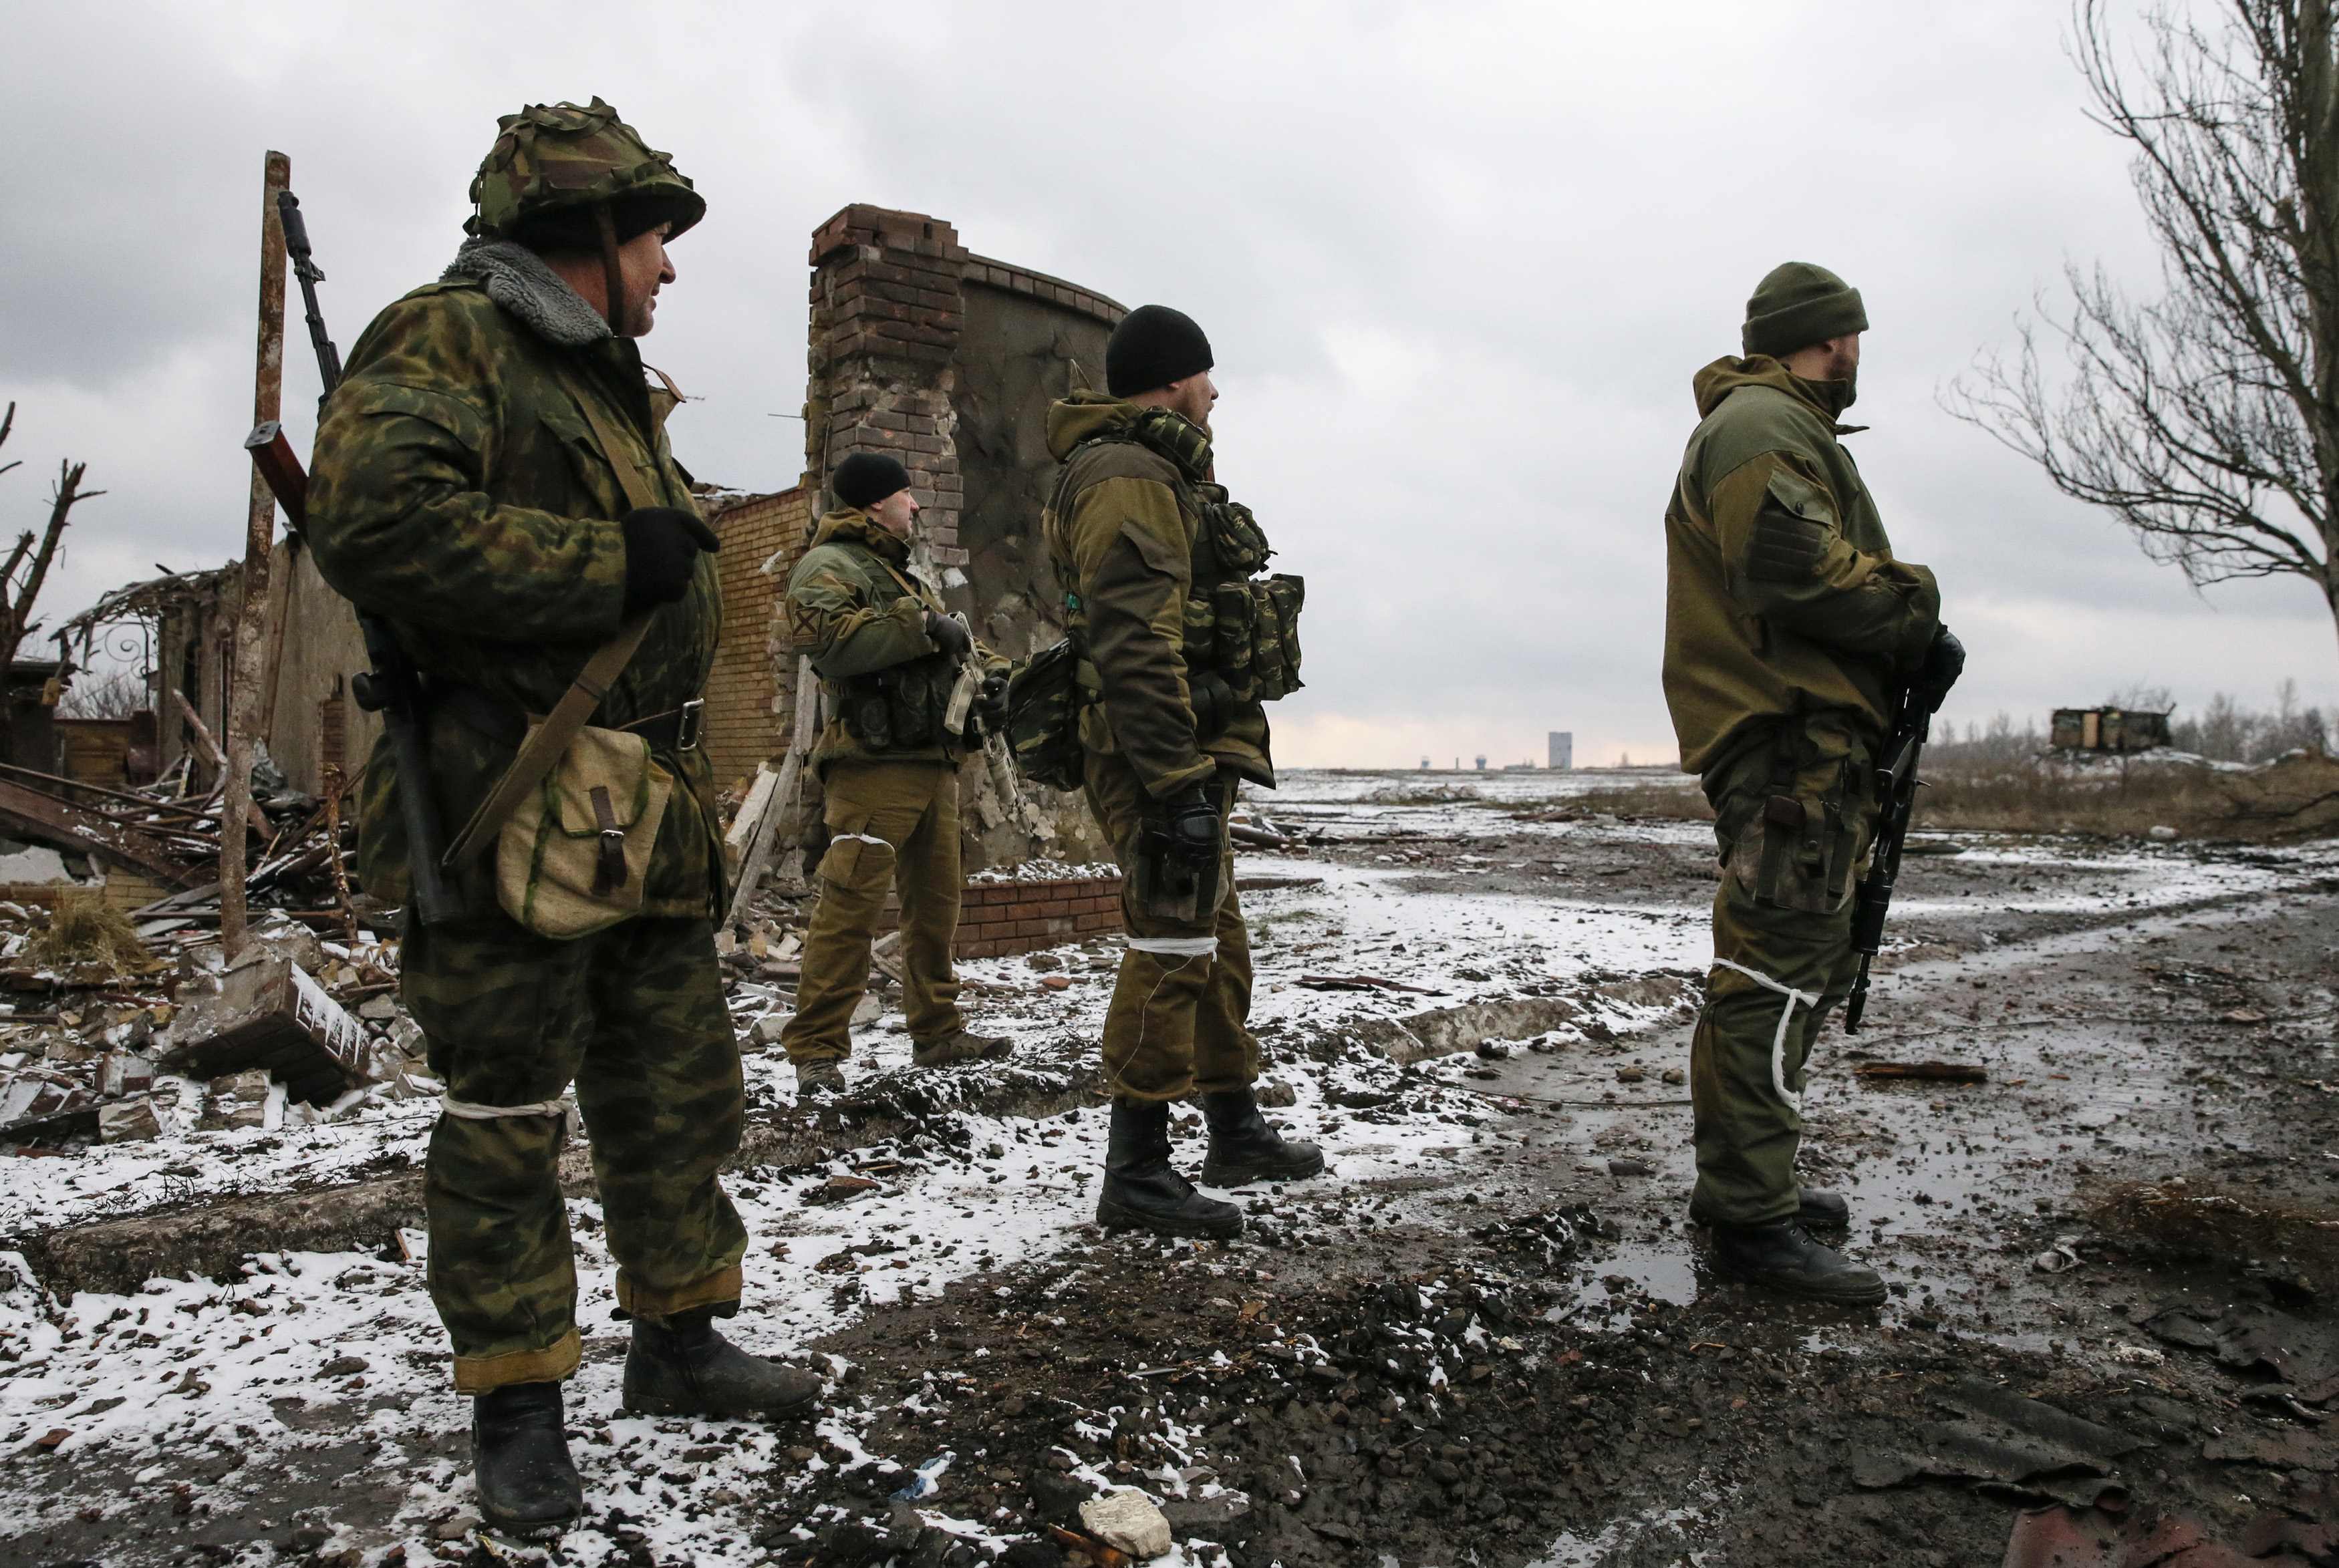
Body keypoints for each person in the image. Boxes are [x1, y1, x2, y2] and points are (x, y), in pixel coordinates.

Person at [306, 97, 815, 1539]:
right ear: (587, 235)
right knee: (508, 1112)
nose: (669, 269)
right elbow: (377, 525)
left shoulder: (600, 383)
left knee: (671, 1091)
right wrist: (609, 564)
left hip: (633, 806)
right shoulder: (446, 340)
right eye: (655, 239)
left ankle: (680, 1341)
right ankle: (518, 1401)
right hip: (506, 803)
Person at [1661, 261, 1965, 1304]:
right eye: (1851, 337)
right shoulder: (1759, 427)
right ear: (1824, 339)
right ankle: (1751, 1225)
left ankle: (1750, 1188)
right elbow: (1792, 569)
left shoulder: (1778, 426)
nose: (1858, 354)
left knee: (1788, 959)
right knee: (1778, 968)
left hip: (1807, 737)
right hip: (1789, 737)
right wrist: (1914, 607)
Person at [1043, 304, 1325, 1240]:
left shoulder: (1160, 469)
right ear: (1174, 378)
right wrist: (1173, 783)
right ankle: (1138, 1169)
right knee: (1171, 945)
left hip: (1188, 750)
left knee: (1216, 941)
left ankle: (1233, 1124)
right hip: (1156, 752)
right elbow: (1132, 642)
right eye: (1207, 376)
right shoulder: (1126, 475)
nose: (1216, 394)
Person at [778, 451, 1014, 1092]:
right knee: (850, 906)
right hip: (873, 767)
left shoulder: (901, 573)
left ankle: (937, 1032)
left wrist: (995, 676)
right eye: (907, 495)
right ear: (875, 502)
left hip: (932, 761)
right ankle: (817, 1049)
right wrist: (921, 626)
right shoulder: (828, 565)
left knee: (936, 907)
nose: (917, 506)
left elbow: (957, 640)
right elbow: (829, 642)